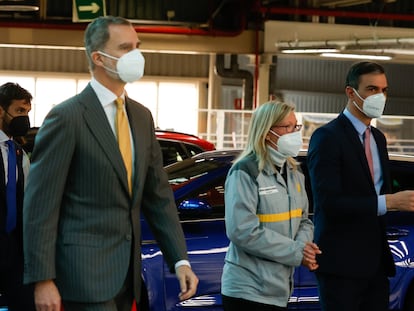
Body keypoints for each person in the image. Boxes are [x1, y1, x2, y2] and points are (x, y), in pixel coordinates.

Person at [23, 16, 198, 311]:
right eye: (125, 47)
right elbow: (40, 206)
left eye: (137, 46)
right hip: (82, 277)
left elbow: (158, 196)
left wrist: (179, 259)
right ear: (98, 58)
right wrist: (42, 279)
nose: (136, 55)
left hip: (127, 276)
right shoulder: (68, 117)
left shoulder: (141, 117)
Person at [307, 61, 414, 311]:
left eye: (384, 90)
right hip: (341, 265)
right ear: (350, 92)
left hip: (376, 265)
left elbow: (380, 190)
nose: (380, 97)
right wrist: (389, 202)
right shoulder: (327, 138)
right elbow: (329, 202)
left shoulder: (378, 138)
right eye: (372, 89)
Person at [221, 101, 321, 311]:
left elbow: (304, 221)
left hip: (279, 289)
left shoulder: (294, 172)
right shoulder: (244, 171)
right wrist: (297, 251)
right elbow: (242, 231)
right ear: (267, 132)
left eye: (296, 126)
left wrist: (304, 248)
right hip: (247, 290)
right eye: (288, 127)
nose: (295, 133)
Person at [0, 82, 34, 311]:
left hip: (15, 249)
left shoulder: (20, 153)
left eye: (27, 112)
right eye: (19, 111)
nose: (24, 118)